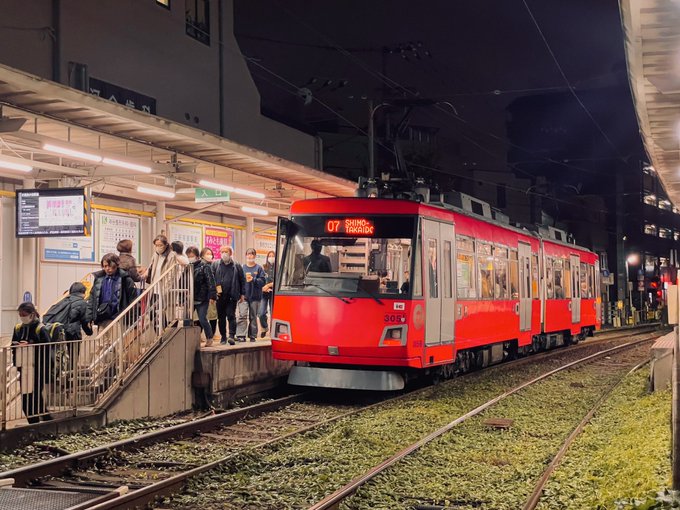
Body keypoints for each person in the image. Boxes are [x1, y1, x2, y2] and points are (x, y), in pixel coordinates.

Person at [12, 302, 52, 423]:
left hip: (38, 367)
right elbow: (12, 345)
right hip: (24, 366)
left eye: (24, 314)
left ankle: (38, 421)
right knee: (27, 397)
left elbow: (48, 346)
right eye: (20, 315)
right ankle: (42, 419)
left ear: (32, 314)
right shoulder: (18, 328)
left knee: (34, 395)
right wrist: (17, 346)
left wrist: (31, 345)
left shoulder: (41, 328)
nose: (22, 317)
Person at [89, 253, 138, 328]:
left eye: (110, 266)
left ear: (116, 265)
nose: (107, 268)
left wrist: (132, 320)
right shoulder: (99, 279)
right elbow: (92, 299)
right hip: (101, 318)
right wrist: (89, 318)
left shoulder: (125, 279)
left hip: (118, 319)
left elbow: (133, 300)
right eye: (105, 266)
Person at [212, 245, 245, 345]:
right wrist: (213, 293)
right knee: (221, 317)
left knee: (231, 316)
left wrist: (242, 294)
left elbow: (242, 280)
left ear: (230, 253)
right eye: (222, 252)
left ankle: (231, 336)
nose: (224, 254)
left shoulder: (236, 265)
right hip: (220, 296)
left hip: (232, 295)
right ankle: (223, 337)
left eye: (226, 251)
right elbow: (211, 279)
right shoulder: (216, 264)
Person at [187, 246, 217, 346]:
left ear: (197, 256)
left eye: (192, 256)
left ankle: (209, 338)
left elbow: (211, 282)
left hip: (202, 298)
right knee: (188, 320)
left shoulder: (205, 266)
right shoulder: (187, 267)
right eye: (189, 256)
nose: (190, 258)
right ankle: (190, 339)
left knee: (202, 319)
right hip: (191, 298)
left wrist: (212, 296)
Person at [242, 248, 266, 342]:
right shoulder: (242, 267)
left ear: (255, 256)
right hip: (244, 296)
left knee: (253, 316)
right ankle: (241, 335)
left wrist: (254, 279)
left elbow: (263, 281)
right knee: (242, 316)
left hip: (255, 296)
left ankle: (252, 335)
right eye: (248, 254)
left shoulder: (259, 268)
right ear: (246, 255)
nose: (250, 256)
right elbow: (239, 281)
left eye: (252, 254)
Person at [259, 250, 276, 338]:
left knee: (273, 313)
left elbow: (278, 280)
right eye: (270, 256)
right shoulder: (263, 267)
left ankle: (272, 332)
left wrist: (269, 285)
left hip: (274, 293)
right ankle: (265, 327)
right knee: (261, 313)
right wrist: (263, 287)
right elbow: (260, 279)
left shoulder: (278, 267)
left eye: (273, 256)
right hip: (264, 293)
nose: (271, 257)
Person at [201, 248, 218, 335]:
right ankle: (201, 335)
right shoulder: (200, 265)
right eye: (207, 253)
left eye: (210, 253)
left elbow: (216, 281)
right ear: (202, 255)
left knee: (212, 315)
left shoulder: (214, 265)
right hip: (202, 295)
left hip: (211, 294)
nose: (209, 255)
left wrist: (214, 294)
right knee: (201, 316)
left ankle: (212, 334)